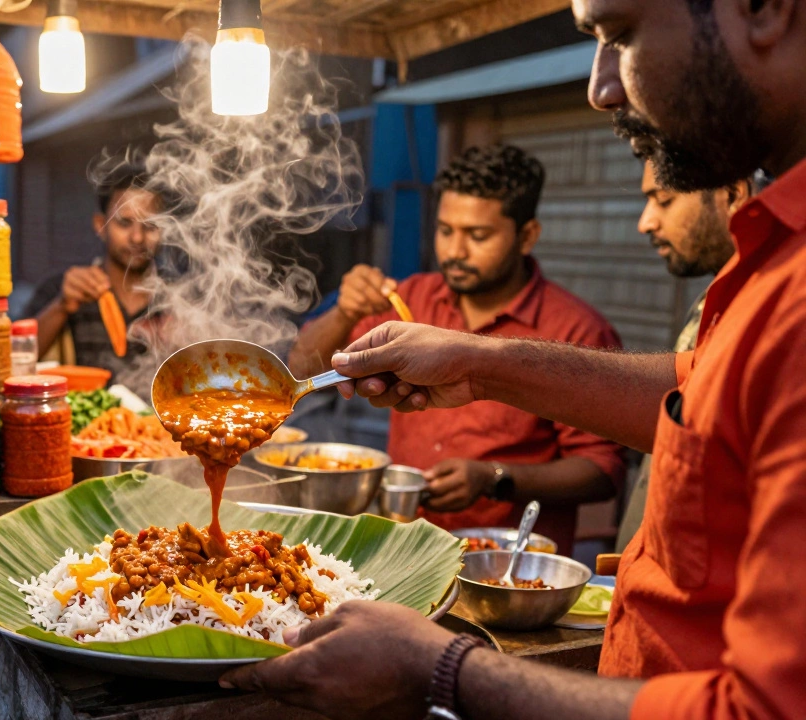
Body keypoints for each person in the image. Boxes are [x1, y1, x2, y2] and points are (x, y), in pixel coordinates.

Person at [222, 1, 806, 718]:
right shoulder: (775, 252)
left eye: (619, 35)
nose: (599, 87)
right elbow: (696, 390)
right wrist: (479, 364)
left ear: (766, 10)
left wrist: (441, 671)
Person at [289, 145, 624, 554]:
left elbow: (602, 471)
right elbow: (303, 366)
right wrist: (344, 311)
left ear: (527, 236)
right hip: (404, 548)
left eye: (477, 236)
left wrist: (494, 479)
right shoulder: (410, 300)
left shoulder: (575, 329)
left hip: (507, 569)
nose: (455, 252)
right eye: (446, 230)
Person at [616, 160, 753, 548]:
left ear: (733, 195)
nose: (646, 222)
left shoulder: (767, 308)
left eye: (664, 201)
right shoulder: (717, 296)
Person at [22, 170, 163, 388]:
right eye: (124, 223)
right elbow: (16, 361)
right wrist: (61, 306)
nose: (137, 237)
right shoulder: (64, 289)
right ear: (100, 225)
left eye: (150, 226)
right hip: (87, 418)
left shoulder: (179, 299)